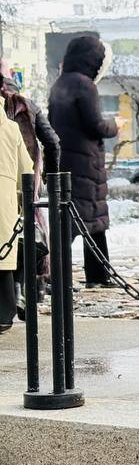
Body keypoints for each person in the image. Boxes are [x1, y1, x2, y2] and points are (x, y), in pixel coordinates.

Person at [47, 34, 117, 288]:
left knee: (87, 222)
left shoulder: (60, 84)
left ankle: (93, 275)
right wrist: (115, 125)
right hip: (86, 164)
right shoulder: (85, 85)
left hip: (66, 161)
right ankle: (88, 276)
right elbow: (95, 125)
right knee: (84, 222)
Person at [2, 65, 58, 303]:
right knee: (27, 235)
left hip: (12, 183)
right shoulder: (27, 107)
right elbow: (52, 142)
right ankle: (28, 291)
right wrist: (51, 178)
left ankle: (16, 293)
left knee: (13, 236)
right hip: (25, 182)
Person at [0, 107, 33, 333]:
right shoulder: (11, 129)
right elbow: (26, 170)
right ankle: (3, 314)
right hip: (5, 202)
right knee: (2, 261)